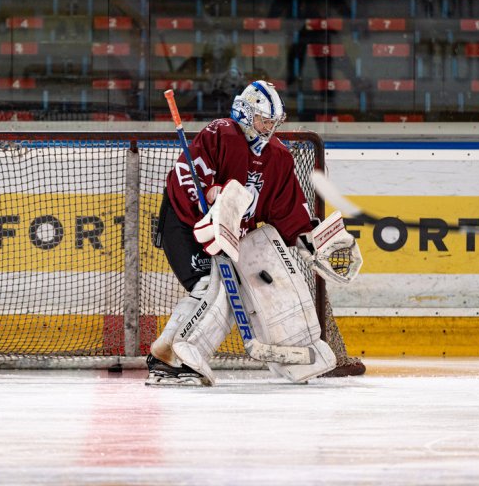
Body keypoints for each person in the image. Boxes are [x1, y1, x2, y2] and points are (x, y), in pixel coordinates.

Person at [147, 80, 364, 386]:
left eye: (273, 121)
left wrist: (309, 240)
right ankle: (179, 360)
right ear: (245, 112)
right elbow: (185, 176)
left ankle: (166, 354)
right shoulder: (220, 133)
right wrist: (208, 196)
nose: (268, 127)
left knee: (231, 288)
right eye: (263, 119)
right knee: (213, 285)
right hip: (184, 224)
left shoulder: (278, 157)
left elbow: (287, 211)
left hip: (231, 236)